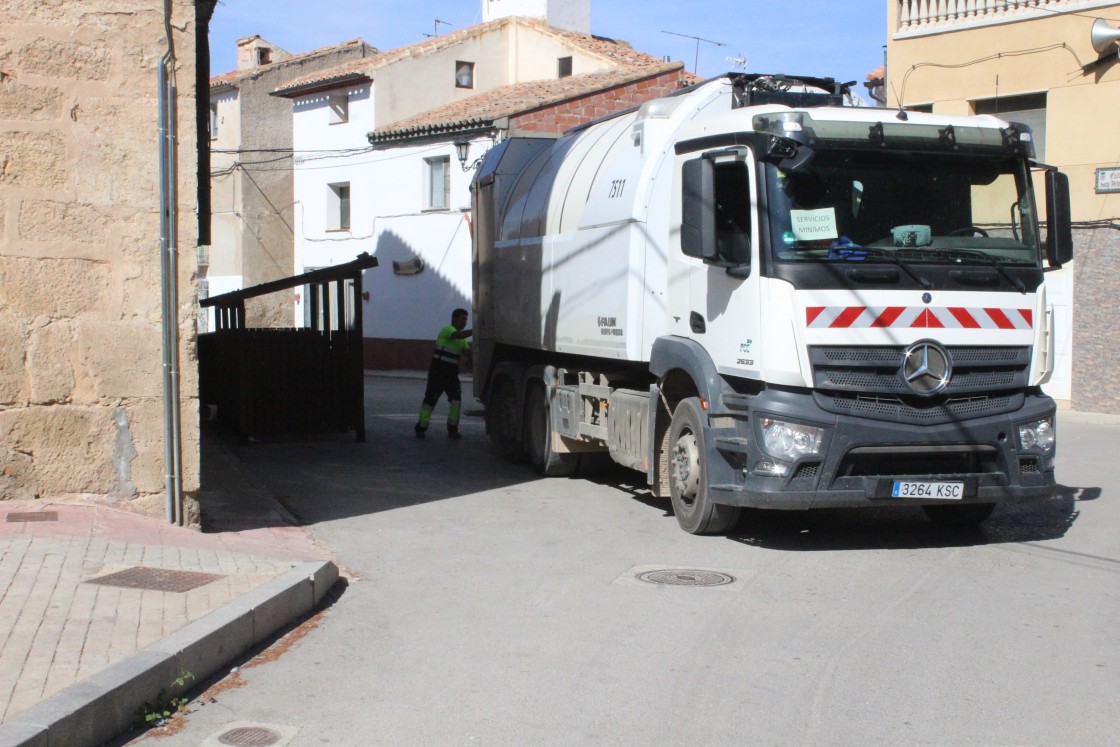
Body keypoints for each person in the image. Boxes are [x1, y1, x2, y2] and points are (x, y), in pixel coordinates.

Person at [414, 308, 472, 439]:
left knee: (456, 401)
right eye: (463, 319)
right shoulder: (447, 330)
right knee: (430, 400)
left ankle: (453, 429)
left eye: (466, 320)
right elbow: (459, 335)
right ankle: (421, 428)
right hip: (437, 373)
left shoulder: (462, 341)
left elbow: (469, 353)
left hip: (451, 375)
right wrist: (476, 331)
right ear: (454, 319)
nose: (465, 322)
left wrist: (472, 360)